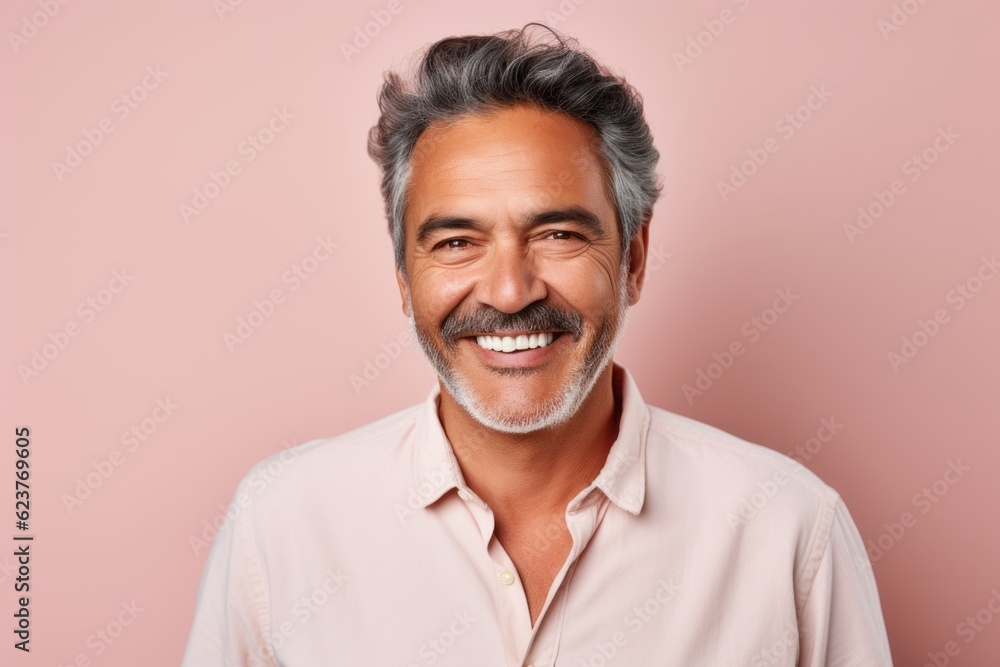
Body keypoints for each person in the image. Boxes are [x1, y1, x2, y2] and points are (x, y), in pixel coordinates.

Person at [182, 24, 892, 666]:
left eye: (558, 234)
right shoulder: (281, 525)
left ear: (634, 259)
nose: (511, 290)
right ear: (404, 276)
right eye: (457, 242)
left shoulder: (788, 530)